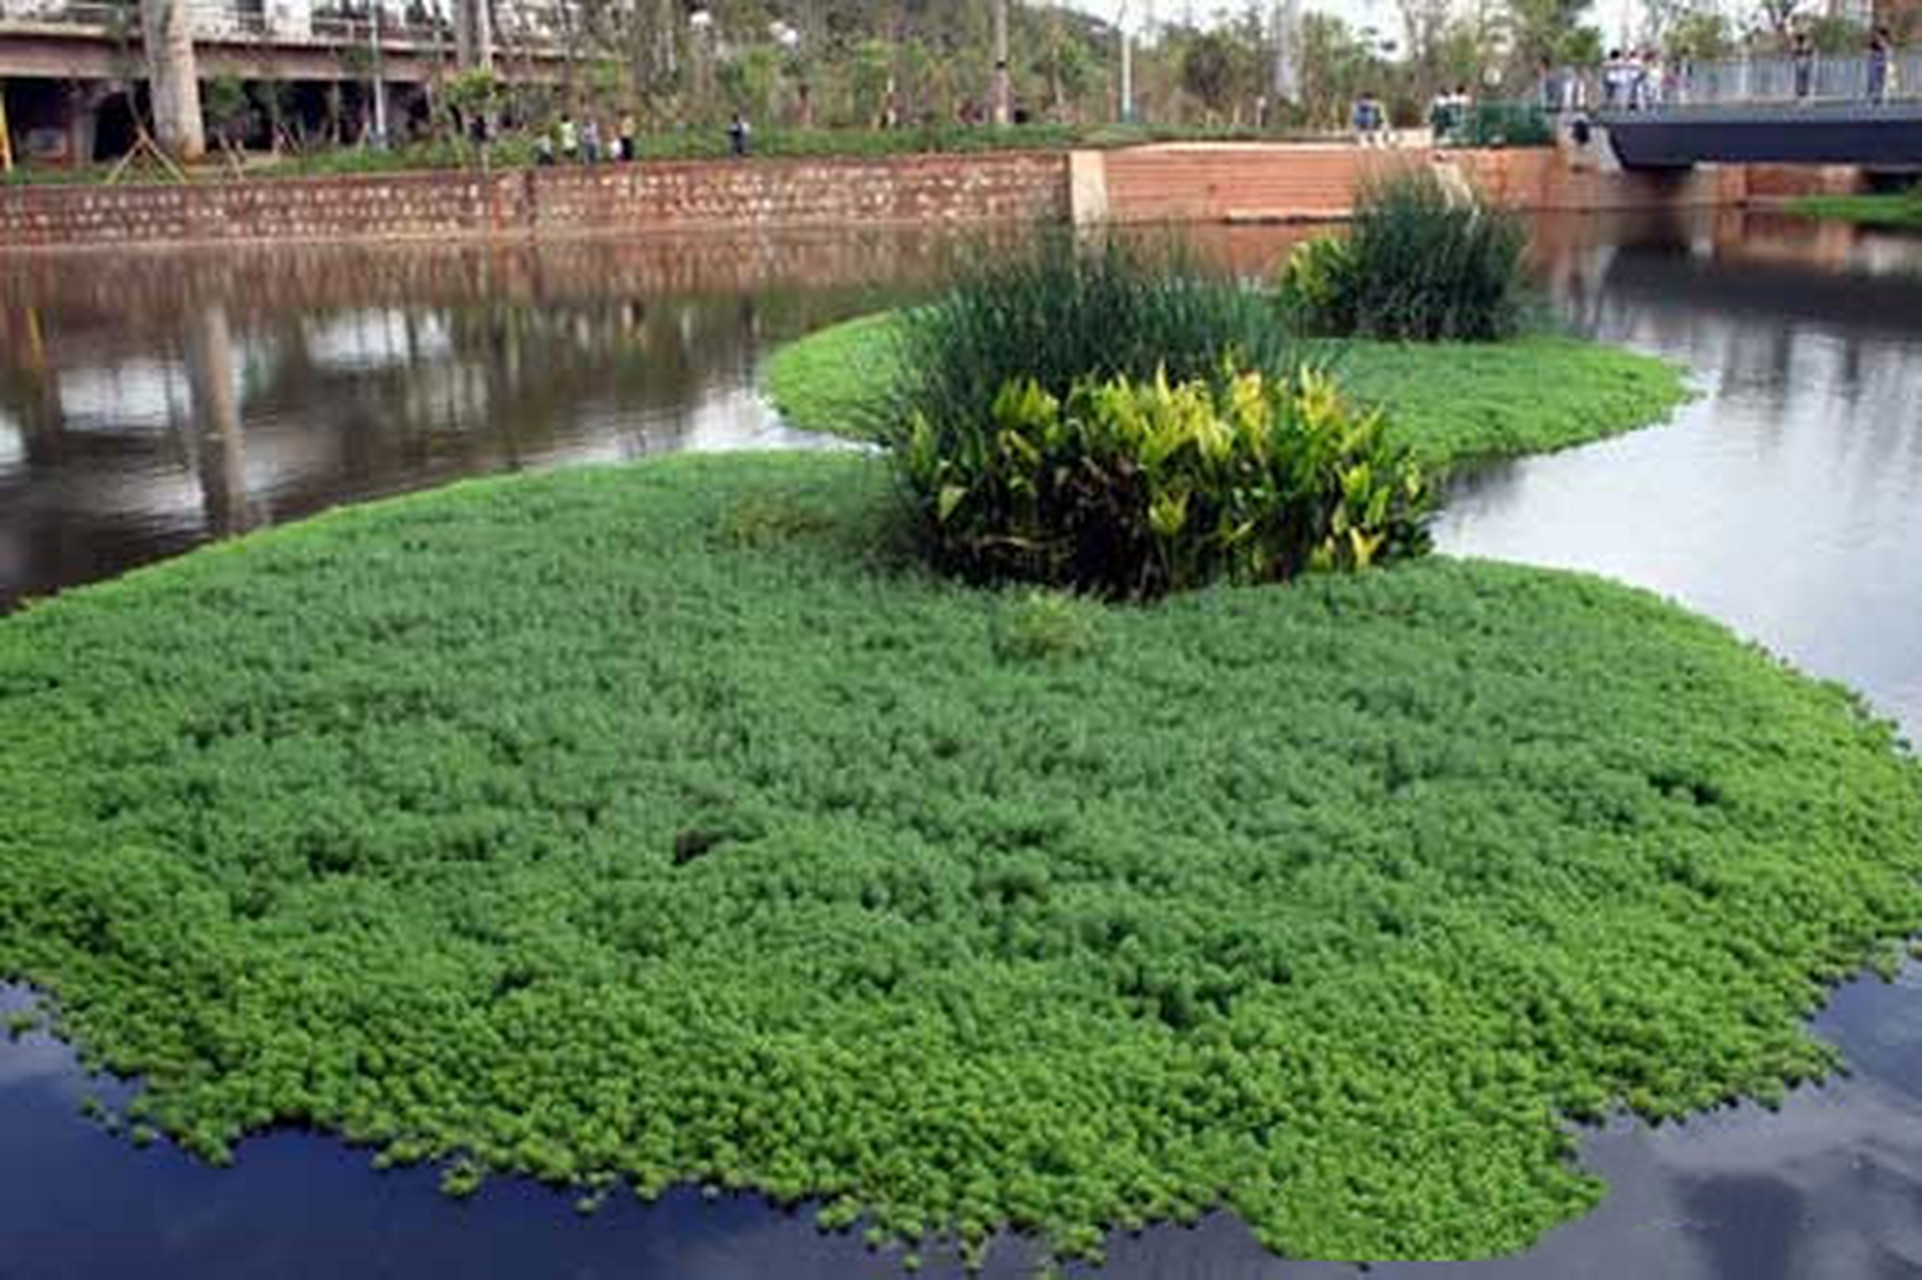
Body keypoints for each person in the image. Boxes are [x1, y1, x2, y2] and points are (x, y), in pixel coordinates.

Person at [1868, 26, 1892, 104]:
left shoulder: (1887, 44)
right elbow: (1871, 53)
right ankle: (1872, 98)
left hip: (1884, 64)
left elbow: (1888, 54)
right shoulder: (1874, 44)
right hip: (1874, 64)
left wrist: (1883, 48)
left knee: (1883, 82)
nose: (1878, 36)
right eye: (1877, 34)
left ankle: (1883, 98)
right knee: (1872, 81)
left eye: (1880, 35)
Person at [1792, 31, 1814, 102]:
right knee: (1800, 77)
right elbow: (1795, 53)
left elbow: (1810, 52)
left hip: (1803, 61)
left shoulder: (1805, 45)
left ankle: (1804, 91)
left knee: (1803, 77)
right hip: (1801, 61)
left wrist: (1807, 54)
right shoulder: (1797, 45)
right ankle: (1800, 91)